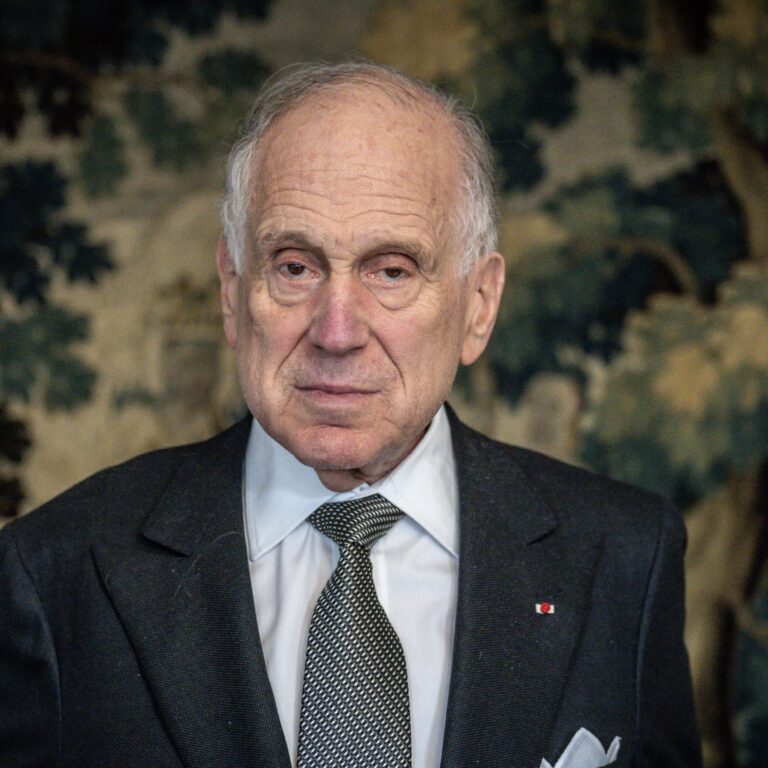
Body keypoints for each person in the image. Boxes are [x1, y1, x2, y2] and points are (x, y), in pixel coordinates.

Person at [0, 62, 701, 768]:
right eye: (295, 266)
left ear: (479, 306)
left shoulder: (624, 557)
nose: (337, 332)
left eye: (392, 270)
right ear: (232, 290)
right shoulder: (55, 571)